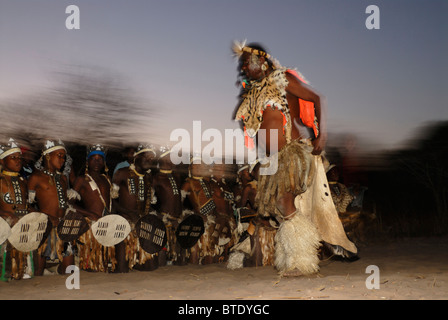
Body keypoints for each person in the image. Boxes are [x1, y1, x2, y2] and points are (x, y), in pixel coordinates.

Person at [232, 41, 357, 276]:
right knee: (278, 209)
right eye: (243, 66)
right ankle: (302, 252)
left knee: (284, 202)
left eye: (246, 63)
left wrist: (321, 135)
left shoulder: (282, 80)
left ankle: (302, 261)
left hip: (292, 152)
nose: (243, 69)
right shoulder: (253, 95)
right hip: (271, 159)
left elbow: (318, 99)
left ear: (261, 61)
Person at [28, 139, 75, 275]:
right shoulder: (36, 177)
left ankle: (54, 270)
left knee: (68, 270)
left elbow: (65, 203)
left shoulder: (63, 179)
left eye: (63, 157)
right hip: (44, 226)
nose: (62, 160)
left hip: (62, 227)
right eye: (58, 155)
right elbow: (28, 206)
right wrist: (47, 217)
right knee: (38, 271)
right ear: (48, 155)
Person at [112, 143, 159, 272]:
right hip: (125, 222)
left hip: (143, 223)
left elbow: (150, 203)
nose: (149, 160)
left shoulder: (150, 178)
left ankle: (136, 261)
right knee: (121, 270)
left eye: (151, 158)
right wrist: (127, 214)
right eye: (146, 157)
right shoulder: (122, 173)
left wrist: (153, 215)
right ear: (136, 157)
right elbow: (112, 201)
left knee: (151, 268)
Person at [72, 144, 118, 272]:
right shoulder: (82, 180)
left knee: (109, 264)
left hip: (108, 225)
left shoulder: (107, 179)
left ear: (104, 162)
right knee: (93, 265)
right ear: (87, 161)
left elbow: (112, 203)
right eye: (94, 159)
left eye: (100, 159)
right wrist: (89, 214)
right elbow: (69, 204)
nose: (97, 162)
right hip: (92, 225)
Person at [0, 138, 31, 280]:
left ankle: (22, 270)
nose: (18, 161)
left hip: (21, 226)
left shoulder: (23, 181)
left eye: (19, 158)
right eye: (13, 158)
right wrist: (5, 214)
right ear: (2, 161)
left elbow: (25, 204)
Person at [152, 146, 185, 264]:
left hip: (178, 218)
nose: (170, 159)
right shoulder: (156, 178)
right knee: (162, 248)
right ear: (161, 159)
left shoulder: (177, 176)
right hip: (164, 218)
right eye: (167, 156)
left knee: (179, 251)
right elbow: (149, 200)